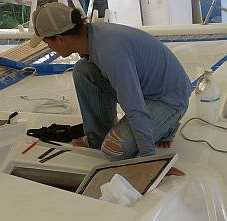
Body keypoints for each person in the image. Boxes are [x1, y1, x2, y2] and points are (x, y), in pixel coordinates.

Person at [30, 3, 192, 161]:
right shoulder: (91, 38)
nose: (49, 47)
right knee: (83, 70)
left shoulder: (110, 53)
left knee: (113, 151)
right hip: (146, 91)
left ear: (60, 39)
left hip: (169, 100)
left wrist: (148, 161)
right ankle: (97, 138)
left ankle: (168, 126)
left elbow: (135, 107)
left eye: (46, 42)